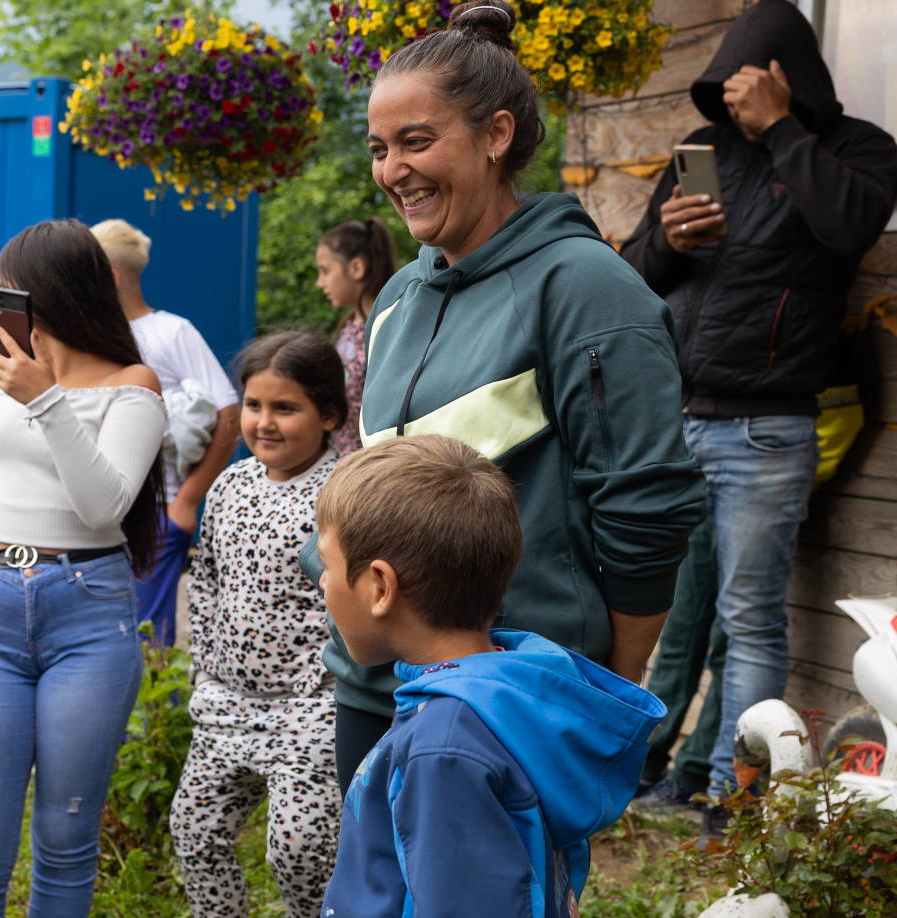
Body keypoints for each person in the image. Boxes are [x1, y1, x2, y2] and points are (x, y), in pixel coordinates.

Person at [311, 0, 705, 796]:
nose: (392, 170)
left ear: (496, 136)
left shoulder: (589, 289)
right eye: (380, 149)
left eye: (417, 141)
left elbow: (647, 510)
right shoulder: (393, 300)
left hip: (514, 699)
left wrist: (608, 687)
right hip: (377, 691)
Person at [619, 0, 897, 835]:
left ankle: (739, 801)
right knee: (678, 615)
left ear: (784, 76)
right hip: (683, 420)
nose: (731, 103)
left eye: (748, 86)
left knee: (749, 620)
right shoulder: (701, 154)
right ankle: (671, 775)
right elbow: (634, 274)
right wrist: (667, 237)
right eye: (724, 88)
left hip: (765, 428)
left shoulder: (858, 150)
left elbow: (850, 224)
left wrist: (781, 130)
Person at [317, 435, 665, 916]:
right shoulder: (504, 694)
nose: (322, 583)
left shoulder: (444, 750)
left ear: (380, 586)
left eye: (327, 565)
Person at [0, 218, 165, 917]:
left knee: (67, 836)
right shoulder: (1, 372)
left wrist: (44, 399)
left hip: (87, 610)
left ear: (56, 294)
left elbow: (104, 506)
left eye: (13, 290)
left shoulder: (135, 387)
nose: (2, 304)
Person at [171, 331, 345, 918]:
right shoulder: (230, 484)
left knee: (301, 852)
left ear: (330, 414)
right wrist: (204, 673)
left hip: (311, 710)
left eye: (285, 408)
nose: (264, 423)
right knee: (195, 833)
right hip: (226, 703)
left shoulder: (345, 496)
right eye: (253, 406)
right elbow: (209, 580)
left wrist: (332, 693)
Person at [90, 218, 239, 645]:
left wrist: (186, 501)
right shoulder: (90, 336)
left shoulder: (171, 332)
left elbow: (227, 412)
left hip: (157, 510)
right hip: (103, 509)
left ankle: (158, 714)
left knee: (147, 638)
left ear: (111, 277)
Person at [315, 217, 397, 455]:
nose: (320, 283)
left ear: (356, 268)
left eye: (325, 271)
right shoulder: (350, 326)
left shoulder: (387, 328)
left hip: (370, 465)